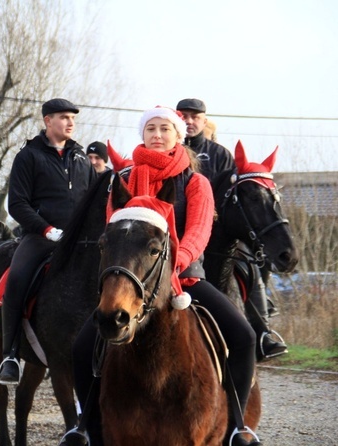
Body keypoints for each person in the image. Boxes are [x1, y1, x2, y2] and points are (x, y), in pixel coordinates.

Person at [72, 107, 261, 446]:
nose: (157, 135)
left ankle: (236, 427)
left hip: (184, 277)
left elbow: (200, 230)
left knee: (244, 336)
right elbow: (115, 232)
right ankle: (87, 429)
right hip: (136, 280)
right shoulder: (124, 179)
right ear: (142, 135)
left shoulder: (195, 181)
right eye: (150, 129)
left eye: (164, 129)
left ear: (178, 135)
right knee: (82, 347)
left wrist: (177, 263)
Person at [177, 98, 286, 360]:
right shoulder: (174, 151)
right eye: (185, 116)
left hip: (218, 228)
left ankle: (263, 333)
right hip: (181, 230)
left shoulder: (220, 153)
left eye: (196, 117)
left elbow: (230, 193)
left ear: (204, 120)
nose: (190, 121)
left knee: (248, 261)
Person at [0, 98, 95, 385]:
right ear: (47, 121)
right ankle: (10, 355)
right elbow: (17, 204)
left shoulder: (81, 158)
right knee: (16, 279)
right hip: (41, 238)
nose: (70, 122)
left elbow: (91, 202)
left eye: (73, 118)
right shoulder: (28, 156)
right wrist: (47, 230)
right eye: (64, 117)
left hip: (80, 241)